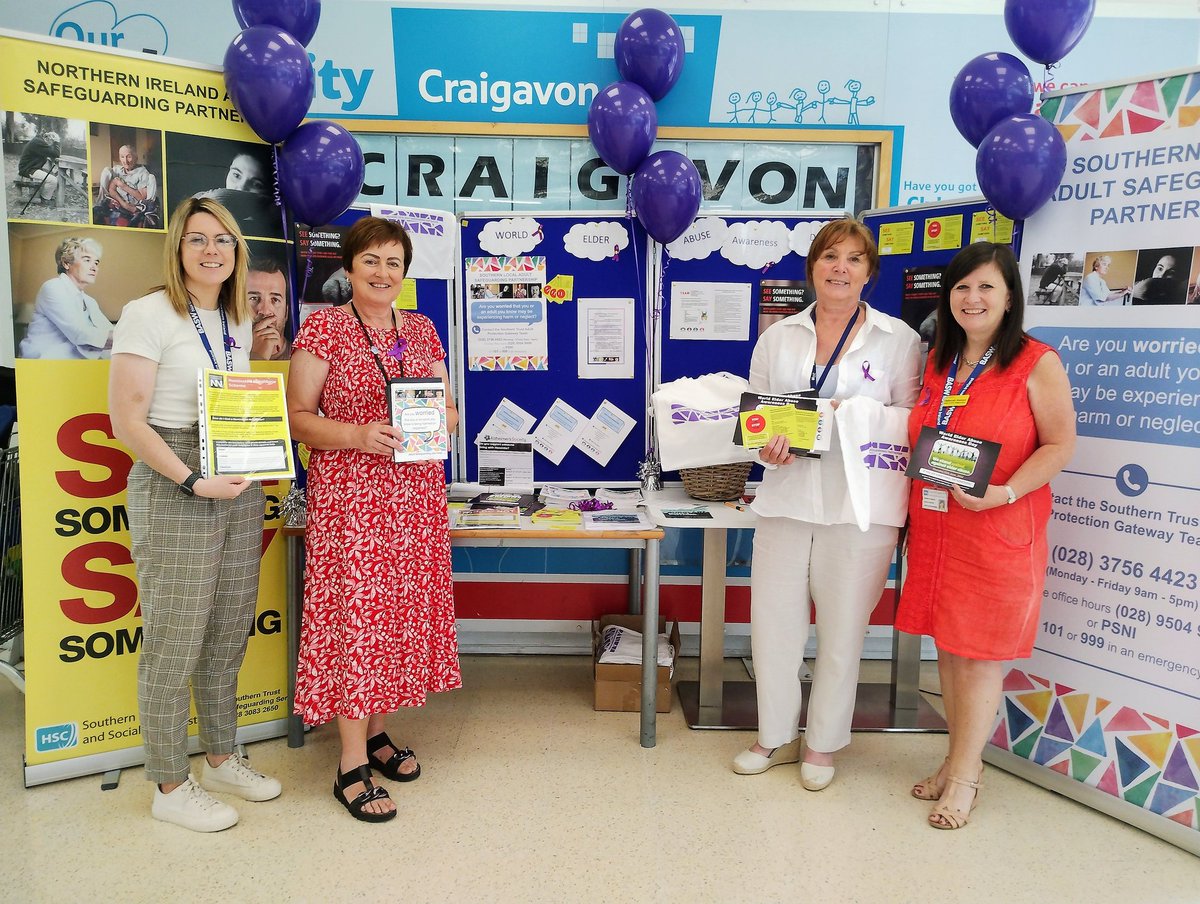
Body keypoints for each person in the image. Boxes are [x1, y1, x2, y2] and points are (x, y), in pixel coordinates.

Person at [108, 197, 282, 832]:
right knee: (174, 639)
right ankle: (168, 782)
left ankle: (217, 757)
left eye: (224, 240)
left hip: (235, 470)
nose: (212, 250)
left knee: (228, 628)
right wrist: (191, 479)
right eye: (197, 239)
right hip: (174, 472)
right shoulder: (146, 313)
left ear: (236, 251)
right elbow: (126, 419)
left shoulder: (235, 317)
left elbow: (228, 394)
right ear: (177, 247)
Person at [732, 219, 921, 790]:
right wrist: (767, 447)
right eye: (830, 256)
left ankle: (822, 745)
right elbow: (756, 421)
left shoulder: (898, 339)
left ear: (870, 272)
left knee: (842, 634)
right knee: (774, 628)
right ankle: (774, 735)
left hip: (859, 512)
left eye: (854, 259)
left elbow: (912, 424)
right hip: (787, 502)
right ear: (812, 266)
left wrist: (851, 415)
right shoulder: (778, 337)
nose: (840, 268)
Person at [287, 216, 461, 823]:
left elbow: (442, 407)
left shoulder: (420, 328)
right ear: (348, 267)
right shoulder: (324, 327)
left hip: (413, 499)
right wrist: (359, 434)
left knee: (397, 619)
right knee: (357, 623)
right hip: (352, 500)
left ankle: (380, 735)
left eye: (394, 261)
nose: (383, 272)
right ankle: (351, 764)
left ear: (405, 271)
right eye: (371, 261)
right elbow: (298, 418)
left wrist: (444, 419)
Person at [896, 242, 1075, 830]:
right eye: (962, 288)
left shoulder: (1035, 361)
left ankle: (968, 778)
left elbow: (1058, 445)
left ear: (1009, 297)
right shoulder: (940, 361)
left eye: (985, 287)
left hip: (996, 528)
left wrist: (1006, 493)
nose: (972, 299)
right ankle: (954, 760)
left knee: (977, 659)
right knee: (948, 650)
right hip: (939, 528)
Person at [18, 237, 113, 359]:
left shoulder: (89, 301)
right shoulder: (53, 287)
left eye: (96, 262)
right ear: (66, 263)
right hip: (42, 363)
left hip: (71, 367)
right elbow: (80, 333)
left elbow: (108, 329)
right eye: (87, 260)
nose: (94, 267)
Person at [194, 151, 273, 234]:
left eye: (256, 185)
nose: (240, 188)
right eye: (236, 175)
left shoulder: (268, 225)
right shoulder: (200, 199)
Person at [95, 144, 160, 228]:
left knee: (152, 178)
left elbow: (141, 197)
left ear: (135, 157)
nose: (125, 161)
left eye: (129, 157)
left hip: (134, 205)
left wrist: (122, 186)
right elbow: (111, 189)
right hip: (118, 202)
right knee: (106, 170)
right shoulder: (117, 170)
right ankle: (100, 202)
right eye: (122, 157)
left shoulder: (142, 173)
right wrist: (123, 204)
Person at [248, 256, 290, 360]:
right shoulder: (225, 356)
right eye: (253, 298)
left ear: (286, 313)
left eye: (275, 300)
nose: (265, 311)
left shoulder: (301, 358)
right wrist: (256, 357)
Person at [17, 129, 61, 203]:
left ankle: (44, 195)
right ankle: (45, 199)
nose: (51, 146)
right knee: (53, 180)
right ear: (49, 139)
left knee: (52, 175)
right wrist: (57, 142)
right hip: (28, 169)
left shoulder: (38, 141)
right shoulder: (39, 143)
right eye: (52, 143)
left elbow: (52, 153)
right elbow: (56, 153)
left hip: (30, 167)